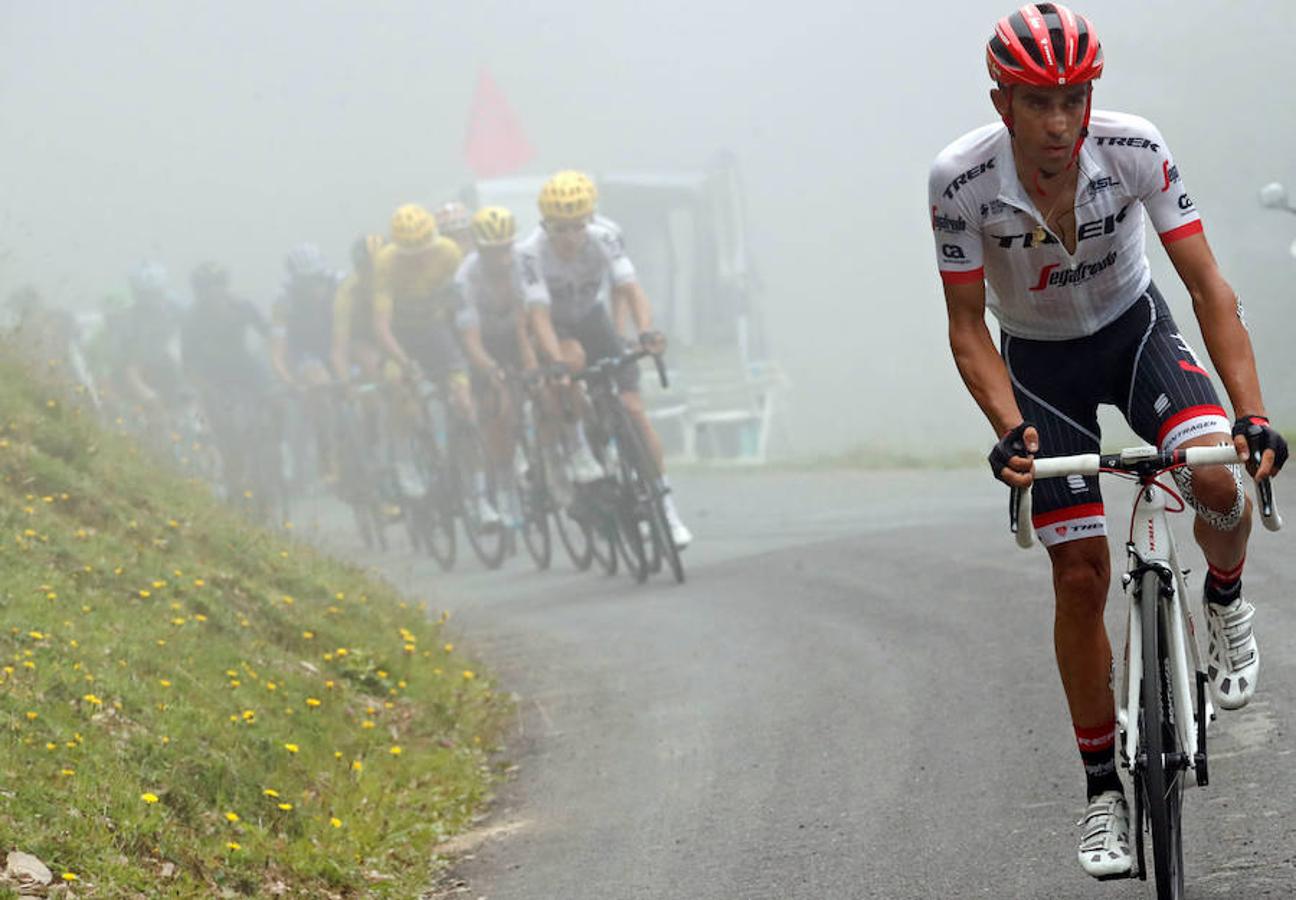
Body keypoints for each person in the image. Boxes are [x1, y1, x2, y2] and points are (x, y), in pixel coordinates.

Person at [929, 3, 1288, 879]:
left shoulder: (1131, 147)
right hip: (1039, 369)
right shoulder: (959, 180)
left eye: (1073, 99)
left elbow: (1207, 286)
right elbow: (967, 327)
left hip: (1136, 335)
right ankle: (1101, 790)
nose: (1058, 122)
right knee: (1080, 571)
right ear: (1000, 100)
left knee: (1211, 470)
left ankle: (1227, 598)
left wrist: (1251, 412)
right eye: (1036, 101)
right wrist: (1007, 428)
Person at [517, 171, 693, 548]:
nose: (569, 237)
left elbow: (629, 288)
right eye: (559, 229)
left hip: (592, 318)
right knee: (573, 360)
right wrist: (556, 363)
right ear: (546, 224)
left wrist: (644, 332)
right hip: (558, 326)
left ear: (589, 220)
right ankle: (580, 443)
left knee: (633, 409)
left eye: (577, 226)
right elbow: (539, 317)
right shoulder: (530, 252)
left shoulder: (606, 235)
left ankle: (667, 509)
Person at [455, 206, 605, 507]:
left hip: (519, 334)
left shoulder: (522, 263)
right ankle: (506, 483)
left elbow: (528, 322)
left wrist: (532, 366)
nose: (502, 257)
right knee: (503, 410)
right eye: (493, 251)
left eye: (506, 247)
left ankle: (564, 450)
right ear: (479, 248)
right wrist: (491, 369)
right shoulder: (465, 277)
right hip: (485, 343)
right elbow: (469, 339)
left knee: (549, 390)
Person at [373, 202, 498, 526]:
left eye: (422, 251)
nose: (417, 259)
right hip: (400, 337)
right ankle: (406, 464)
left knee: (465, 405)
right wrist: (404, 362)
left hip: (435, 330)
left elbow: (461, 305)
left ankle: (481, 500)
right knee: (399, 386)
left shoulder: (448, 252)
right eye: (409, 254)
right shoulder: (385, 262)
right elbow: (382, 326)